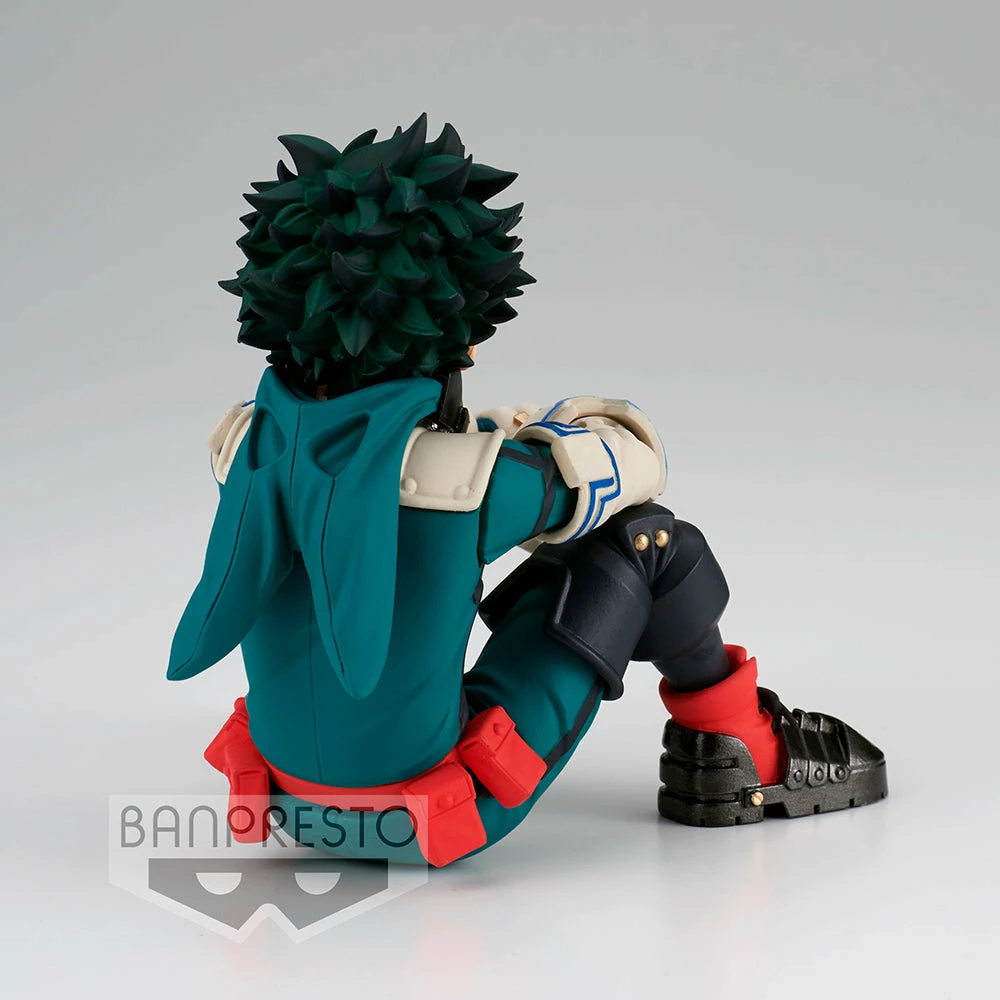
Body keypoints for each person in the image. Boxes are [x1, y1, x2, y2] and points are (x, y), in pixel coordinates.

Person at [168, 115, 886, 867]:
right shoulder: (470, 484)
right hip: (437, 814)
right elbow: (629, 465)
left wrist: (477, 434)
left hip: (280, 802)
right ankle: (744, 747)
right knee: (649, 541)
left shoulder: (244, 448)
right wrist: (544, 435)